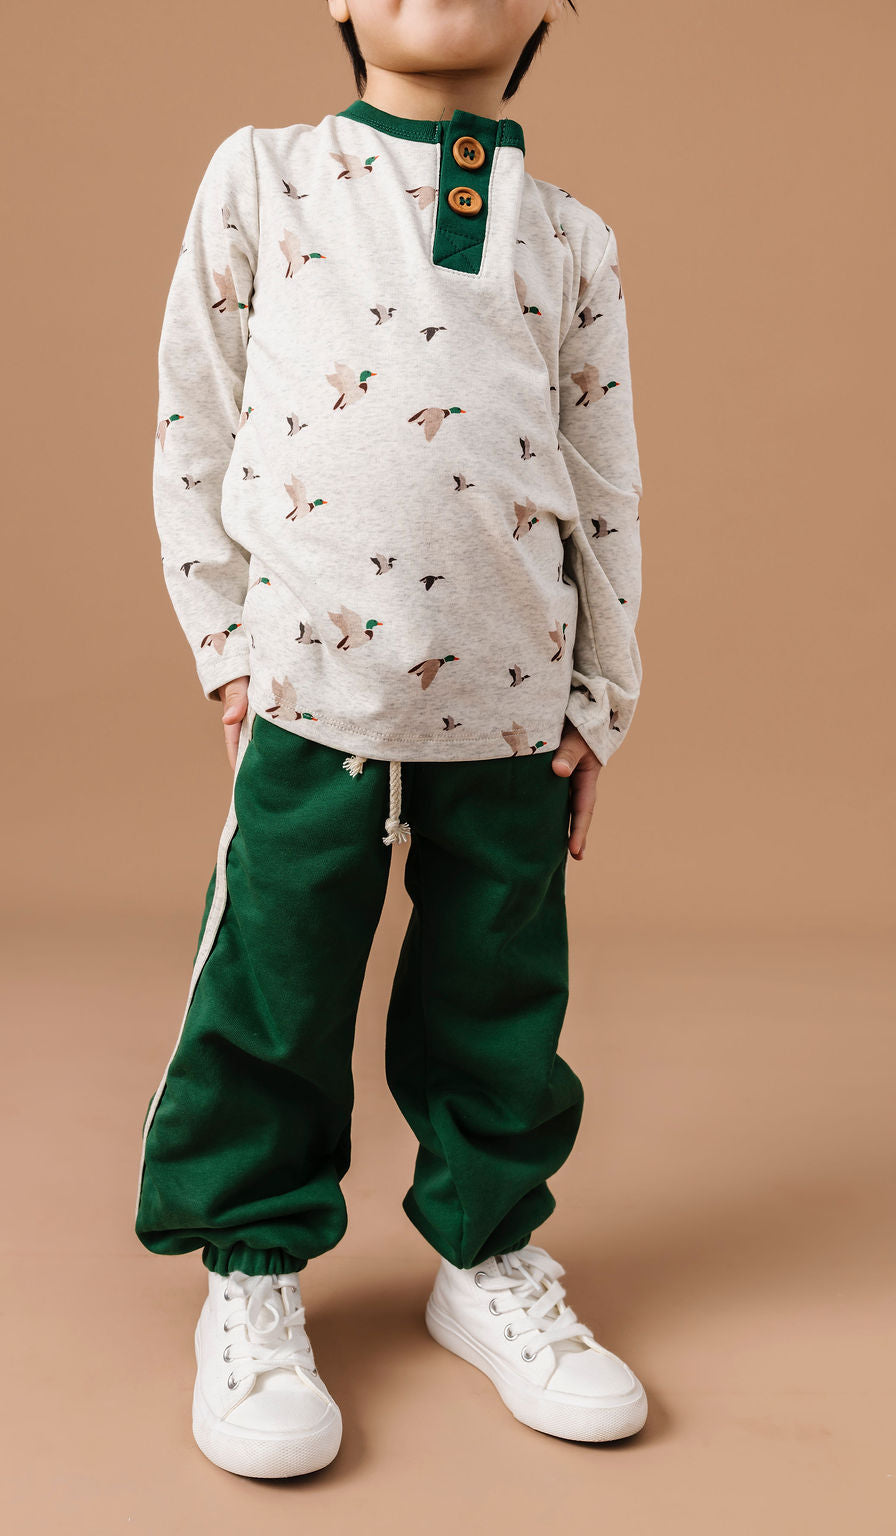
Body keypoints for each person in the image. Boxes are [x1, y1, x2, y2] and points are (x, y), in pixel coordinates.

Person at [135, 0, 648, 1478]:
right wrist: (227, 647)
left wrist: (600, 696)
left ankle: (487, 1258)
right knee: (277, 984)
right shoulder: (264, 177)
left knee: (499, 1000)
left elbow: (604, 478)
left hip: (514, 703)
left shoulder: (571, 237)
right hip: (315, 697)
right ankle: (251, 1268)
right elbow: (194, 418)